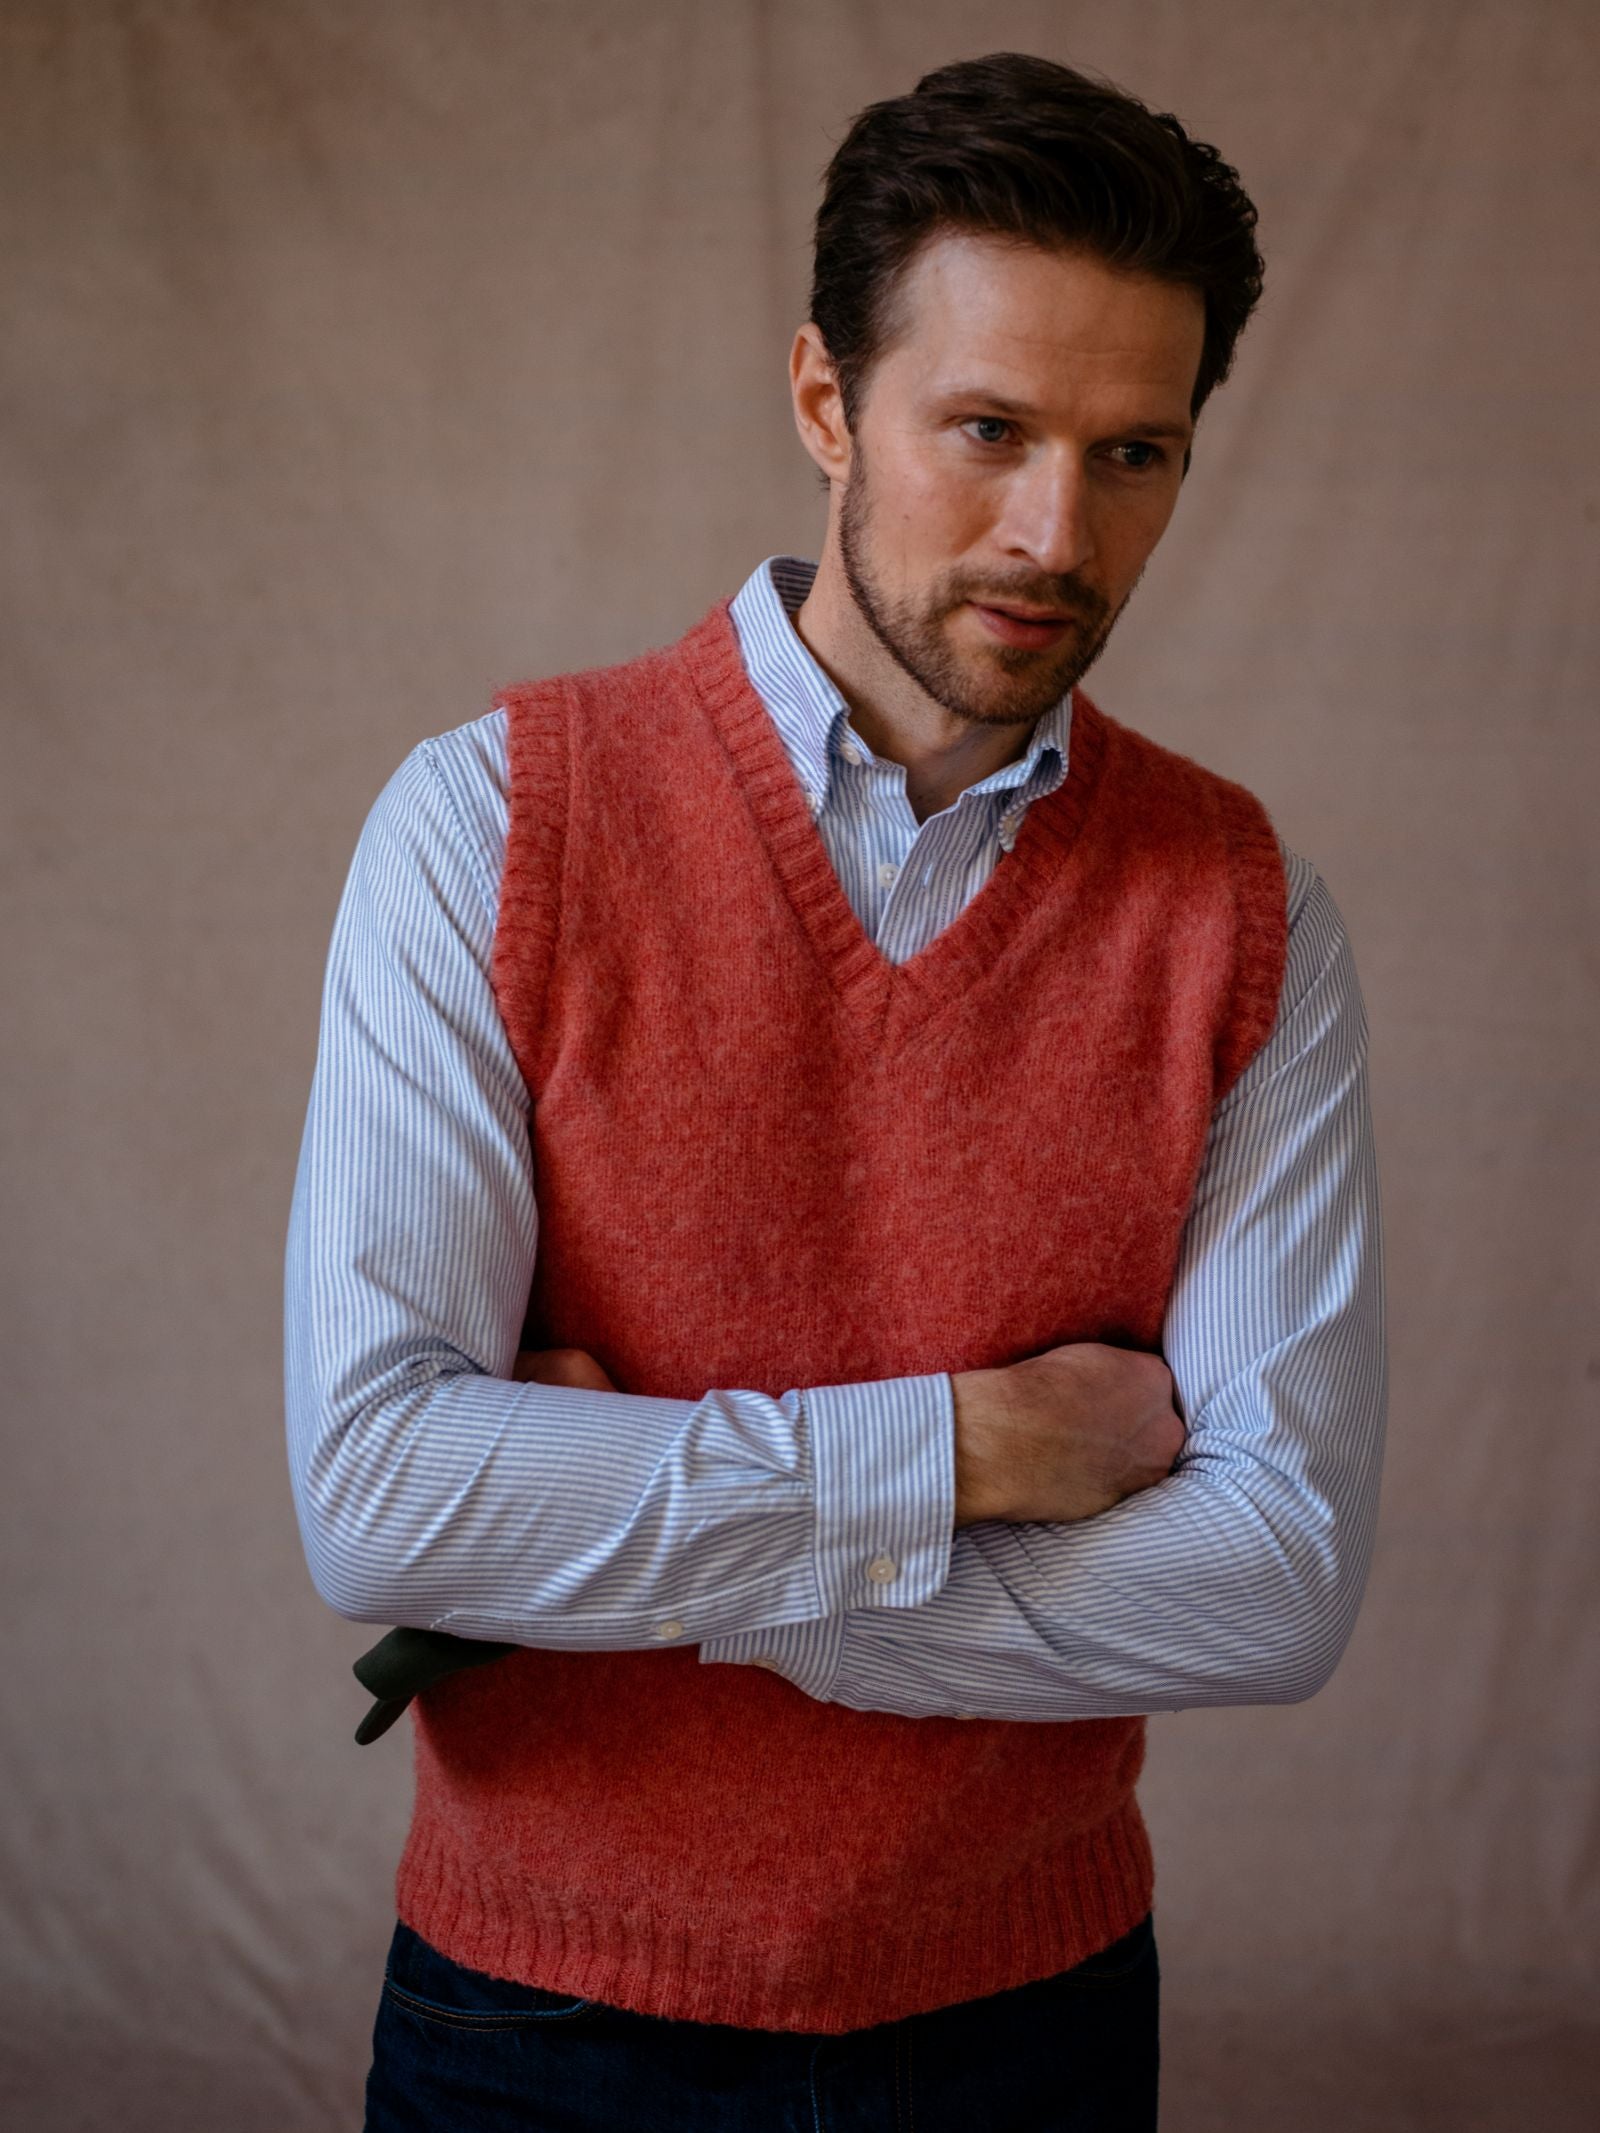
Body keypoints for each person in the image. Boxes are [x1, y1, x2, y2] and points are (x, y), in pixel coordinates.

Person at [284, 48, 1385, 2132]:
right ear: (821, 403)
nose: (1056, 532)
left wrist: (648, 1548)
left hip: (1026, 2013)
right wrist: (964, 1447)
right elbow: (385, 1497)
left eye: (1133, 451)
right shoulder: (487, 823)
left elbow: (1275, 1576)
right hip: (542, 2018)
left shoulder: (1247, 915)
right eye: (985, 430)